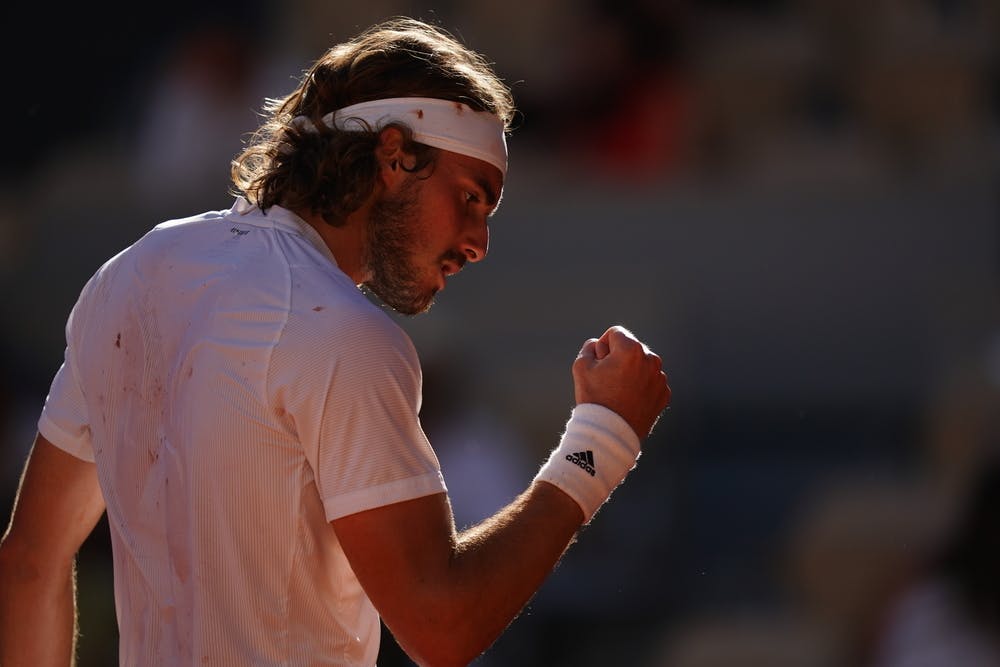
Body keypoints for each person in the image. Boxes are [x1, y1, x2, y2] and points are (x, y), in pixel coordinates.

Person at [0, 17, 671, 667]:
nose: (477, 243)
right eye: (469, 197)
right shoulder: (343, 333)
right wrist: (601, 438)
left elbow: (30, 558)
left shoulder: (128, 276)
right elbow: (442, 624)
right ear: (393, 156)